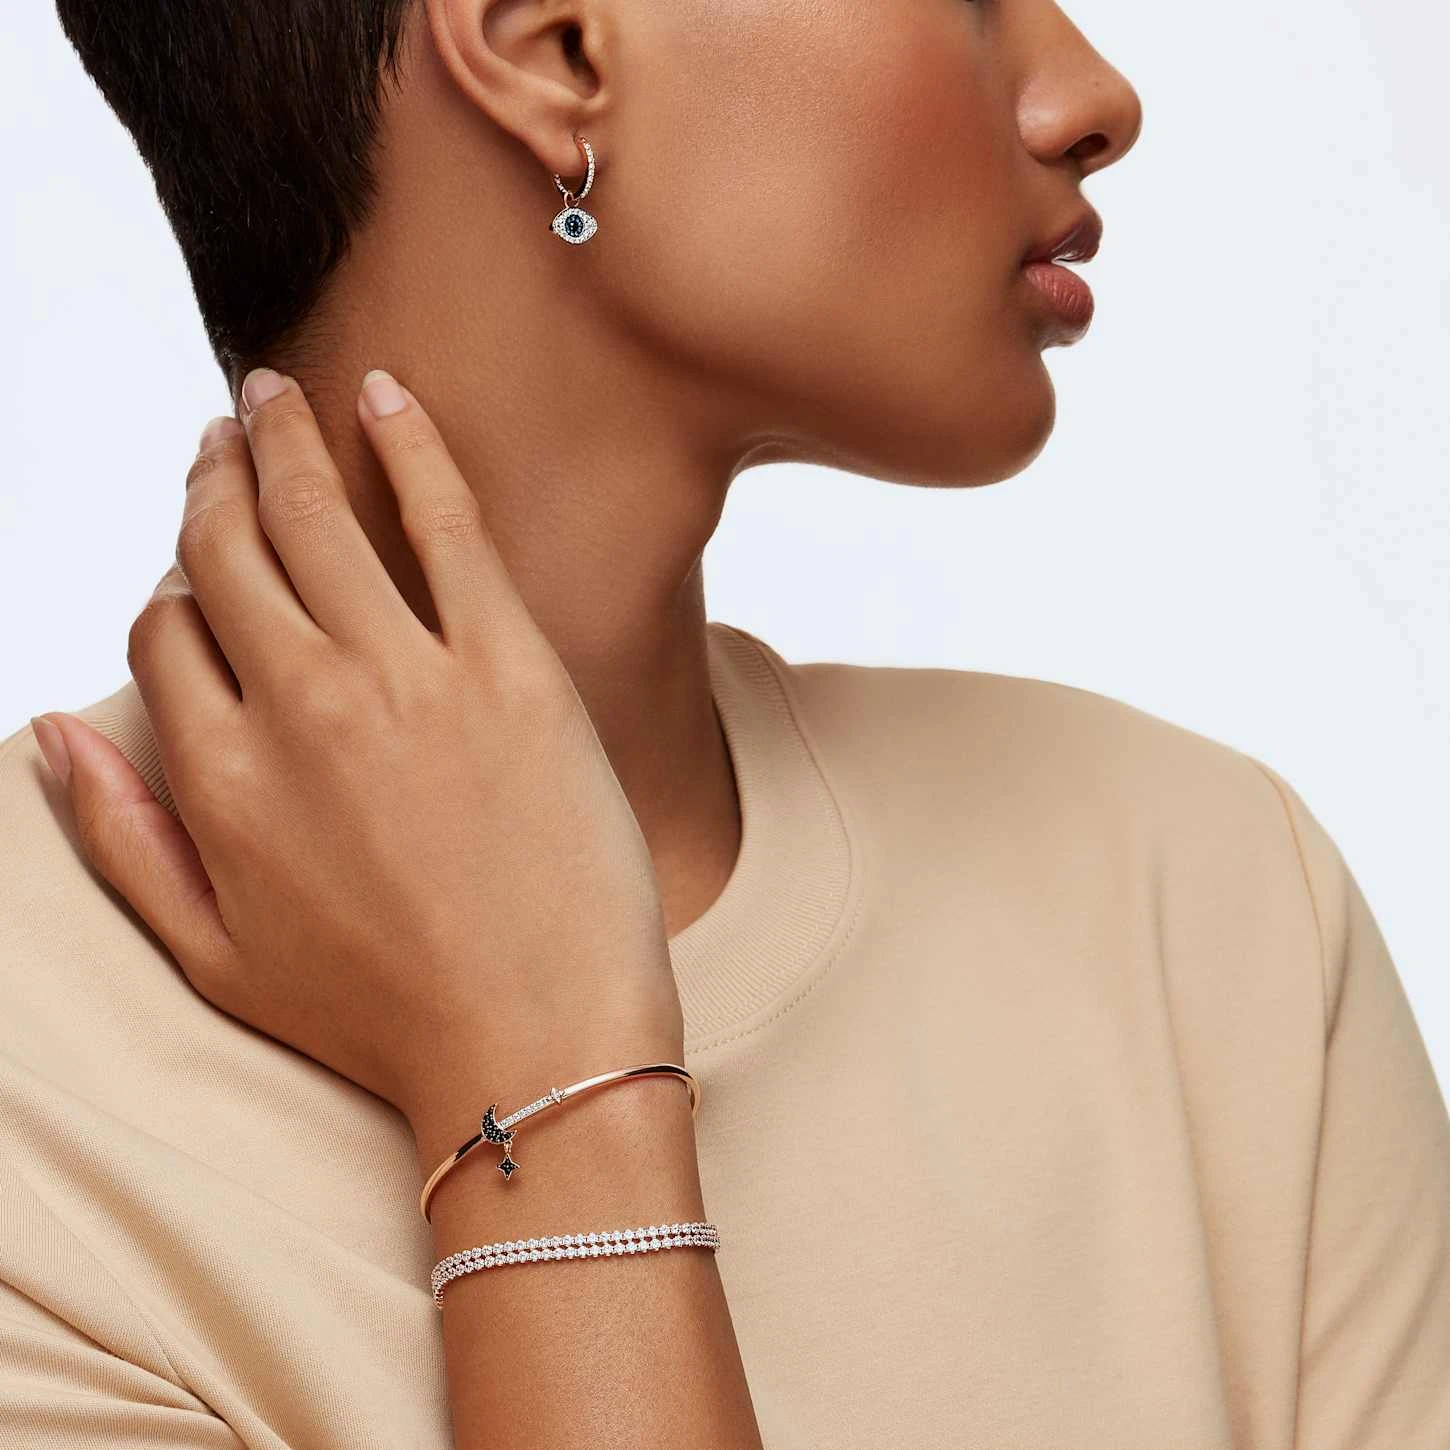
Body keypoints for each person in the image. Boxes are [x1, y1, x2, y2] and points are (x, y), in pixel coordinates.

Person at [3, 0, 1447, 1445]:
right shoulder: (36, 1104)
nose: (1094, 97)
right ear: (552, 51)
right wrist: (548, 1081)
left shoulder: (1206, 899)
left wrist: (534, 1048)